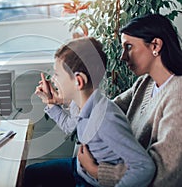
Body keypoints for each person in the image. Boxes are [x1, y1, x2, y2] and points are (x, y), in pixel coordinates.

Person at [23, 37, 155, 187]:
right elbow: (70, 127)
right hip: (80, 169)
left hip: (90, 181)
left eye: (57, 74)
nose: (52, 79)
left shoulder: (106, 120)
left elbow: (144, 168)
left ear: (79, 81)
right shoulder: (80, 104)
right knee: (30, 174)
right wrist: (51, 103)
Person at [78, 14, 182, 187]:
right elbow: (105, 109)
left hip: (113, 177)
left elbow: (164, 173)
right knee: (34, 173)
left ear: (155, 45)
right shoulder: (145, 82)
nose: (122, 57)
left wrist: (96, 170)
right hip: (102, 168)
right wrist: (65, 97)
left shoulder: (178, 95)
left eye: (129, 47)